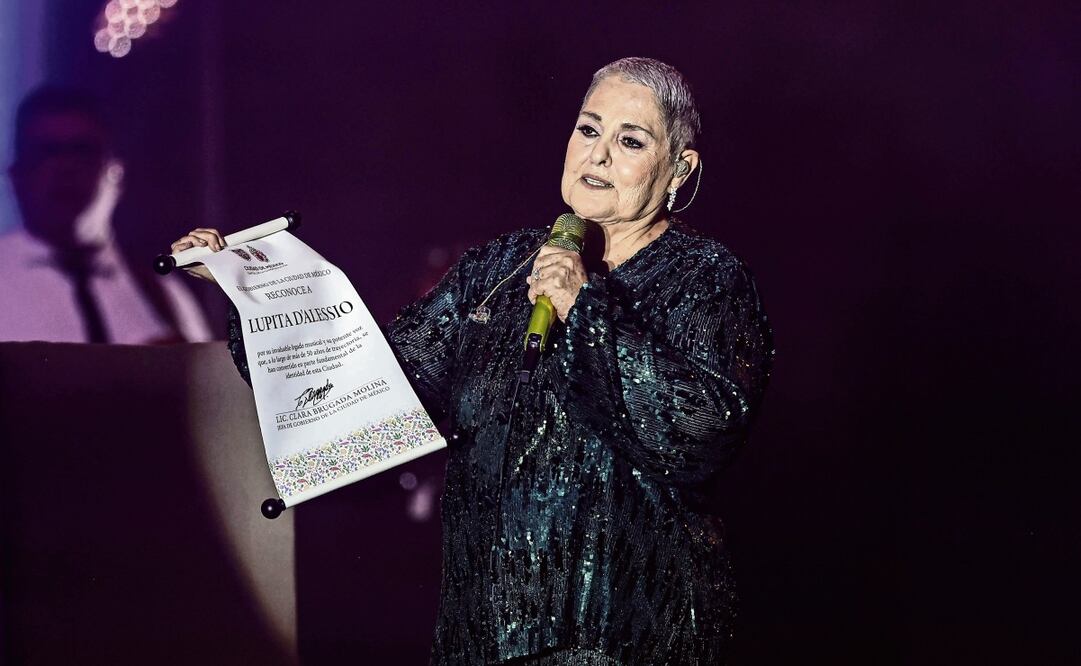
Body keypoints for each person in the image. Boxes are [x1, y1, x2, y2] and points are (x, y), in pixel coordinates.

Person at [173, 57, 773, 665]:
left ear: (679, 169)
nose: (598, 155)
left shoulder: (705, 278)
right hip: (481, 640)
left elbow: (699, 433)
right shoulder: (496, 271)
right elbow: (362, 392)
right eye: (589, 129)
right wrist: (253, 288)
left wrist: (584, 307)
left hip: (623, 642)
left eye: (631, 140)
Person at [0, 87, 211, 344]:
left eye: (83, 150)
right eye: (46, 151)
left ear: (116, 172)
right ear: (16, 176)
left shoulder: (164, 295)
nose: (65, 168)